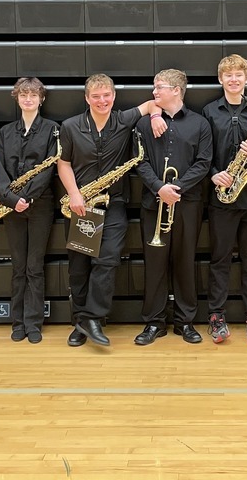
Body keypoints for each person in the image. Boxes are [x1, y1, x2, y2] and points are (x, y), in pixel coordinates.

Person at [57, 74, 165, 347]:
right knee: (79, 269)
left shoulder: (124, 119)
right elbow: (64, 163)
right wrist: (74, 195)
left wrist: (154, 117)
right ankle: (80, 323)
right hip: (82, 205)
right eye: (96, 96)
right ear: (86, 98)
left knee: (108, 261)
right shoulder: (70, 126)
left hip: (114, 202)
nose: (102, 101)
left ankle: (91, 317)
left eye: (107, 95)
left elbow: (153, 104)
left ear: (113, 96)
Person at [133, 69, 213, 346]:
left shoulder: (200, 124)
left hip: (187, 204)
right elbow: (139, 162)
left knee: (185, 262)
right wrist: (159, 187)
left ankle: (185, 321)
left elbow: (203, 163)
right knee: (154, 264)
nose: (154, 92)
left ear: (176, 90)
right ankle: (154, 322)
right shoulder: (144, 124)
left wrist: (176, 188)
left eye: (159, 87)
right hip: (153, 203)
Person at [203, 53, 247, 344]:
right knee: (219, 259)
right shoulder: (208, 112)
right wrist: (215, 174)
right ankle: (216, 315)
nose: (233, 79)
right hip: (222, 197)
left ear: (246, 78)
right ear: (220, 79)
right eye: (228, 75)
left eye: (238, 75)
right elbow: (201, 154)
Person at [0, 77, 60, 344]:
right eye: (23, 95)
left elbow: (49, 169)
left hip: (40, 205)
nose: (28, 99)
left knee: (35, 266)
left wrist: (28, 197)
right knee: (18, 266)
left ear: (41, 99)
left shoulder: (53, 129)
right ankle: (17, 322)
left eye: (33, 95)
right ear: (17, 98)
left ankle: (33, 323)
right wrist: (11, 199)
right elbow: (0, 172)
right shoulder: (5, 132)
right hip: (11, 206)